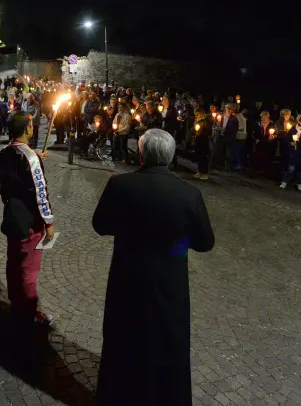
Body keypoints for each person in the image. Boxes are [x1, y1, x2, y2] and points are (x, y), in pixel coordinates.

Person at [92, 129, 215, 406]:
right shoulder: (189, 193)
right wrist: (175, 243)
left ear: (142, 152)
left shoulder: (120, 185)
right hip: (169, 281)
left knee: (125, 335)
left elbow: (101, 225)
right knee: (166, 339)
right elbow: (205, 242)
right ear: (171, 157)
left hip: (128, 275)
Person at [0, 113, 56, 346]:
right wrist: (49, 222)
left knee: (14, 263)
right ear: (28, 129)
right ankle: (29, 313)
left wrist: (34, 158)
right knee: (29, 269)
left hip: (12, 216)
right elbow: (40, 193)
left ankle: (16, 304)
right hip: (30, 221)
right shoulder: (28, 157)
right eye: (31, 123)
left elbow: (13, 177)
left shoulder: (5, 153)